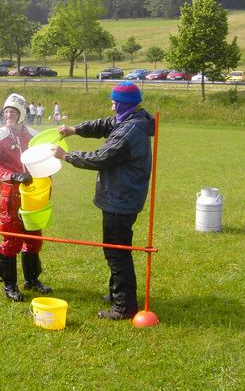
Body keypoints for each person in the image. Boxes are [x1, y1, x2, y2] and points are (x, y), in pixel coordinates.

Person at [50, 81, 155, 320]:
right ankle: (118, 293)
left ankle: (124, 307)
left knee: (116, 251)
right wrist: (74, 130)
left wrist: (67, 156)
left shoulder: (130, 131)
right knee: (117, 248)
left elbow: (102, 157)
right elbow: (104, 124)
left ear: (122, 103)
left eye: (113, 100)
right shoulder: (130, 120)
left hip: (120, 198)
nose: (111, 104)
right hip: (122, 195)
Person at [0, 93, 52, 301]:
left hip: (33, 196)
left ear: (22, 114)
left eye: (13, 112)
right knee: (11, 240)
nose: (9, 116)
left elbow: (44, 159)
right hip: (10, 195)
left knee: (34, 239)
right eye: (6, 112)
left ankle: (32, 279)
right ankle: (10, 285)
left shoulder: (34, 135)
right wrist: (12, 175)